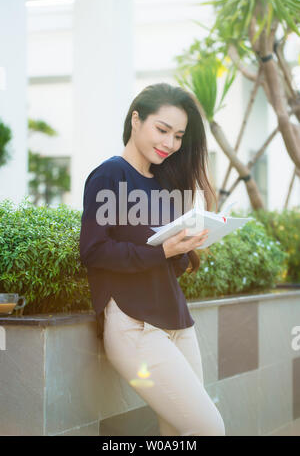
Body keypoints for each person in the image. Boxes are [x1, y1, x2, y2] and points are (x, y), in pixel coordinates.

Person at [79, 83, 225, 436]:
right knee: (210, 429)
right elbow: (94, 251)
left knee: (176, 432)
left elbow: (165, 262)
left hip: (176, 322)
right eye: (162, 130)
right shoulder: (109, 175)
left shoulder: (164, 183)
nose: (170, 143)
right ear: (136, 119)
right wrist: (162, 250)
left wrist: (185, 245)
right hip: (134, 326)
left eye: (178, 135)